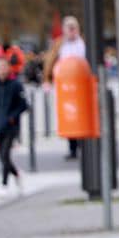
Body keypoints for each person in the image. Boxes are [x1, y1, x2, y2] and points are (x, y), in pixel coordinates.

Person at [44, 16, 87, 161]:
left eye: (74, 27)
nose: (71, 30)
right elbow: (50, 61)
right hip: (65, 87)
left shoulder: (83, 44)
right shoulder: (59, 45)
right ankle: (73, 147)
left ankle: (83, 144)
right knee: (69, 115)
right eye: (68, 27)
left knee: (83, 115)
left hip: (82, 86)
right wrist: (47, 79)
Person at [0, 55, 29, 195]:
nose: (1, 70)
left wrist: (12, 118)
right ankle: (16, 174)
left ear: (8, 68)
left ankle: (3, 184)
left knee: (5, 155)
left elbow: (23, 105)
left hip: (11, 126)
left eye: (4, 66)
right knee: (2, 156)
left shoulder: (15, 84)